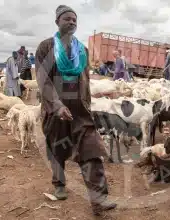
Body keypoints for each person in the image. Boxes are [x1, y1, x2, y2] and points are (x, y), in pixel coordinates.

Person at [35, 5, 116, 216]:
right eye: (67, 19)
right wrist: (56, 105)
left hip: (79, 110)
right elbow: (43, 80)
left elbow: (85, 80)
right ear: (57, 22)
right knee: (57, 148)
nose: (71, 22)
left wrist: (87, 105)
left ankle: (98, 199)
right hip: (55, 109)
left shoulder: (83, 50)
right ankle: (59, 183)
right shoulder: (46, 48)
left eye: (74, 19)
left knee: (91, 149)